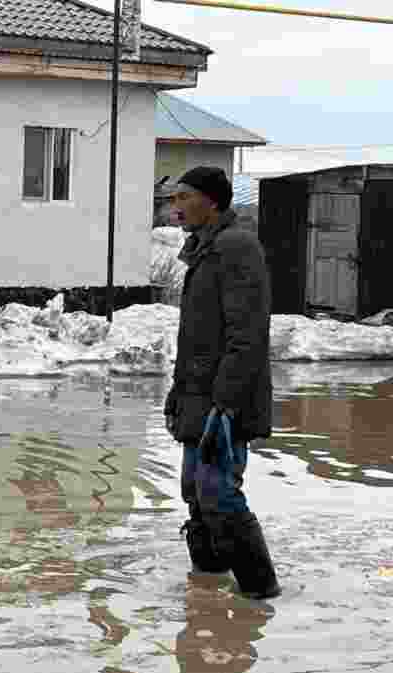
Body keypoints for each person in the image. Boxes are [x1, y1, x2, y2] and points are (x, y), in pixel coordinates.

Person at [164, 166, 281, 599]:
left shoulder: (236, 248)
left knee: (217, 491)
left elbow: (246, 335)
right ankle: (208, 582)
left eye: (183, 197)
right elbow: (198, 335)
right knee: (194, 489)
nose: (176, 207)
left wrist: (226, 403)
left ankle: (259, 589)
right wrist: (178, 390)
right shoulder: (203, 248)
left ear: (212, 200)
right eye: (173, 199)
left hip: (224, 400)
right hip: (197, 394)